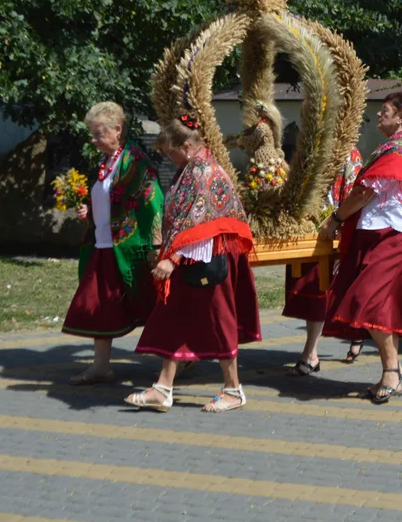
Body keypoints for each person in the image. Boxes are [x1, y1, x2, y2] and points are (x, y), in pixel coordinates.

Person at [128, 115, 260, 412]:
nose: (168, 158)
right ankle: (163, 388)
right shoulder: (190, 168)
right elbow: (180, 215)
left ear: (186, 146)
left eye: (169, 152)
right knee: (174, 316)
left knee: (219, 320)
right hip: (194, 259)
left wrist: (172, 260)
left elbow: (202, 223)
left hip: (210, 263)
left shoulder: (203, 172)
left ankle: (234, 390)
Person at [319, 91, 402, 404]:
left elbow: (363, 193)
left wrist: (335, 218)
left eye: (385, 110)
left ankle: (392, 370)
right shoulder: (392, 147)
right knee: (382, 306)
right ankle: (390, 373)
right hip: (384, 233)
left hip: (396, 235)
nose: (379, 115)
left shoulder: (399, 149)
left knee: (367, 301)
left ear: (401, 116)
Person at [63, 102, 163, 385]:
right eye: (92, 134)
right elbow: (107, 201)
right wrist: (89, 212)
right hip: (103, 247)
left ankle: (180, 358)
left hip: (132, 250)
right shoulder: (106, 163)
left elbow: (153, 203)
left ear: (117, 130)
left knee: (154, 303)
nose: (93, 140)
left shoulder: (135, 162)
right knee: (100, 307)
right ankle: (101, 365)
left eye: (98, 134)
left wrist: (156, 245)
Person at [282, 147, 363, 375]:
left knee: (323, 291)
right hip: (308, 230)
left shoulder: (349, 155)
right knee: (311, 293)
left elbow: (353, 196)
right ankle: (316, 351)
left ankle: (311, 354)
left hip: (332, 231)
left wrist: (337, 223)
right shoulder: (311, 147)